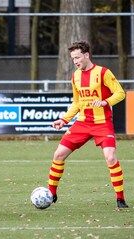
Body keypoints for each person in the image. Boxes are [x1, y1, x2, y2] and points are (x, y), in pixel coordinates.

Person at [47, 41, 129, 209]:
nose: (75, 61)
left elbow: (120, 93)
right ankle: (51, 193)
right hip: (82, 123)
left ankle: (120, 199)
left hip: (102, 123)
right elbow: (77, 103)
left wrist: (106, 102)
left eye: (77, 57)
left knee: (111, 157)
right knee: (58, 154)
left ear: (86, 55)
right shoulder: (75, 76)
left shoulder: (103, 72)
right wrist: (64, 120)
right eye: (72, 59)